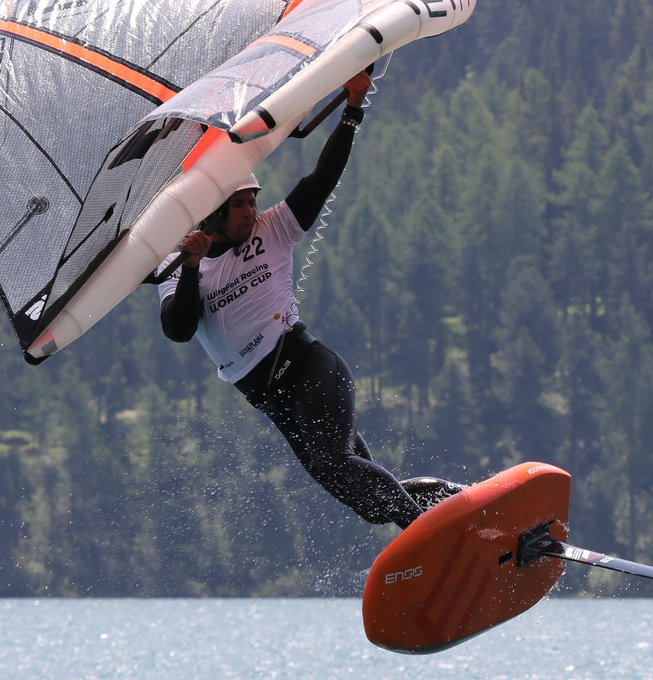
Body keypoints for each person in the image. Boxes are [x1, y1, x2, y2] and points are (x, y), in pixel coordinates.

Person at [157, 71, 461, 529]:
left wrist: (353, 108)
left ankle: (434, 535)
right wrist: (192, 265)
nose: (250, 211)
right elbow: (178, 330)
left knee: (332, 463)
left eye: (251, 201)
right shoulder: (180, 266)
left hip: (307, 367)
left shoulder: (273, 229)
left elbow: (321, 178)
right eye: (239, 205)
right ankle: (467, 504)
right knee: (368, 499)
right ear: (214, 210)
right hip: (272, 398)